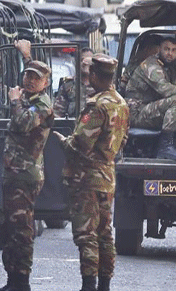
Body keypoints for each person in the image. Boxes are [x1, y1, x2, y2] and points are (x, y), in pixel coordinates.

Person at [54, 55, 128, 291]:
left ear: (96, 76)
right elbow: (123, 139)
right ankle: (104, 284)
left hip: (87, 179)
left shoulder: (97, 106)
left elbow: (79, 145)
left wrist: (62, 141)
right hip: (107, 177)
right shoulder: (120, 103)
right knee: (105, 234)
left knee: (87, 235)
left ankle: (89, 285)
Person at [0, 60, 54, 291]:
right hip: (14, 173)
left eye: (36, 77)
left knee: (22, 230)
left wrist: (14, 101)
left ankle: (22, 282)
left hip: (25, 174)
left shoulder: (41, 104)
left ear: (45, 83)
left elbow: (22, 124)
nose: (30, 80)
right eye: (28, 75)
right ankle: (12, 279)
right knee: (10, 229)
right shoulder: (28, 100)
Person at [124, 36, 176, 160]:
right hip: (135, 113)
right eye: (167, 49)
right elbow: (165, 89)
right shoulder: (151, 65)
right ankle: (165, 147)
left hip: (146, 109)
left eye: (174, 50)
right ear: (159, 49)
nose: (170, 53)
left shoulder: (168, 68)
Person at [54, 47, 93, 118]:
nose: (85, 64)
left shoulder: (100, 86)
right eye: (82, 60)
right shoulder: (68, 86)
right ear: (77, 63)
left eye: (89, 61)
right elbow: (57, 114)